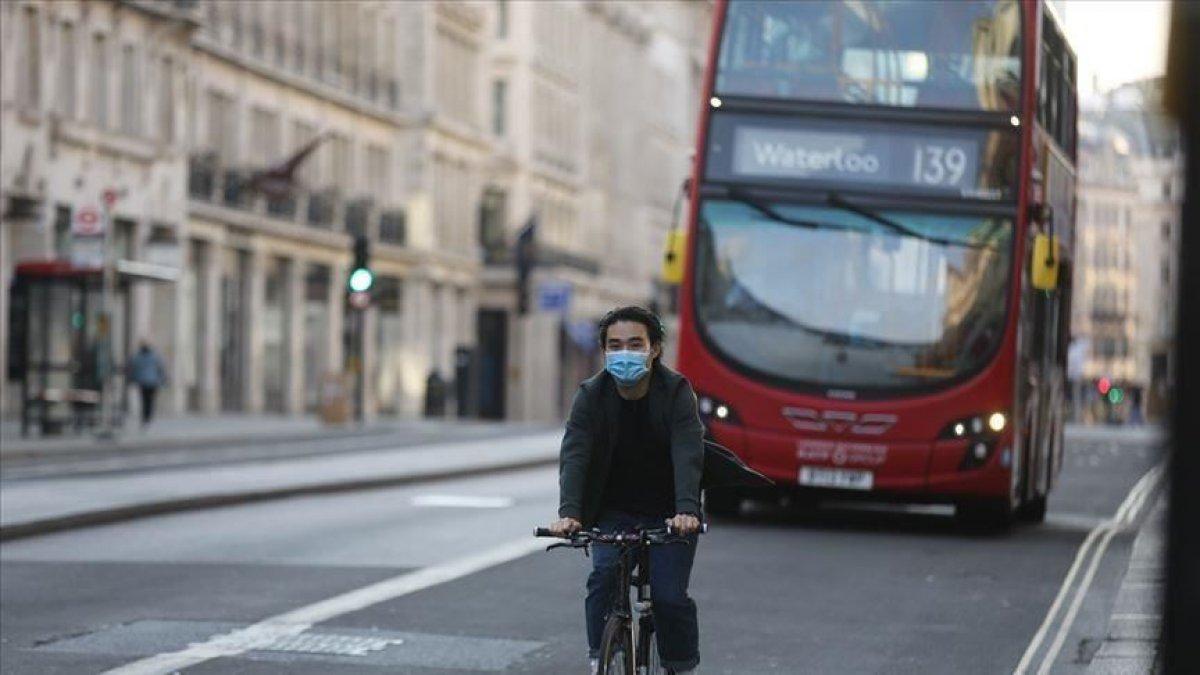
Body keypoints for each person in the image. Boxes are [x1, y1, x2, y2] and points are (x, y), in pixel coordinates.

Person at [546, 305, 705, 675]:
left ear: (654, 349)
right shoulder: (591, 395)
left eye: (635, 344)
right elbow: (575, 454)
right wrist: (570, 513)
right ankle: (599, 657)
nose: (625, 353)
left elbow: (688, 452)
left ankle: (680, 666)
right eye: (615, 345)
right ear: (604, 352)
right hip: (612, 510)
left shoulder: (677, 392)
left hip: (670, 512)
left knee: (668, 597)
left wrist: (687, 510)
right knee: (602, 578)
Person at [127, 341, 168, 428]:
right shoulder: (154, 357)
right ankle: (147, 417)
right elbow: (160, 368)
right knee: (150, 400)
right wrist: (163, 379)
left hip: (143, 382)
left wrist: (132, 379)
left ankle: (145, 417)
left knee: (144, 400)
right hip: (152, 382)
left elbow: (133, 369)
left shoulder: (137, 357)